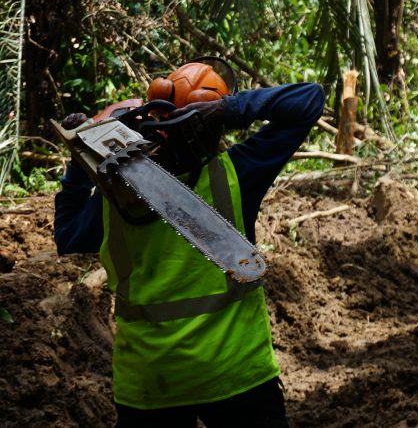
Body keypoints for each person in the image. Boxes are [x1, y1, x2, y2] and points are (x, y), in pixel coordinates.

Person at [54, 62, 325, 428]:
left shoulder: (117, 194)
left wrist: (77, 168)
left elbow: (67, 236)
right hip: (235, 370)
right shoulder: (236, 174)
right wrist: (231, 110)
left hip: (150, 383)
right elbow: (309, 99)